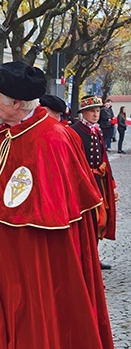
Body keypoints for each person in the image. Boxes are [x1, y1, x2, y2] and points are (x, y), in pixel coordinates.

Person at [0, 61, 114, 349]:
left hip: (37, 261)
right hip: (5, 261)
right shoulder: (8, 133)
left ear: (16, 102)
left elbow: (48, 216)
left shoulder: (52, 138)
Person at [70, 95, 117, 269]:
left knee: (99, 221)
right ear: (83, 113)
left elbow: (103, 157)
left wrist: (110, 182)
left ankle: (94, 256)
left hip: (98, 182)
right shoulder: (75, 131)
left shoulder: (97, 130)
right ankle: (84, 258)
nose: (95, 114)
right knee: (86, 221)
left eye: (97, 111)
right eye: (92, 111)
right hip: (82, 183)